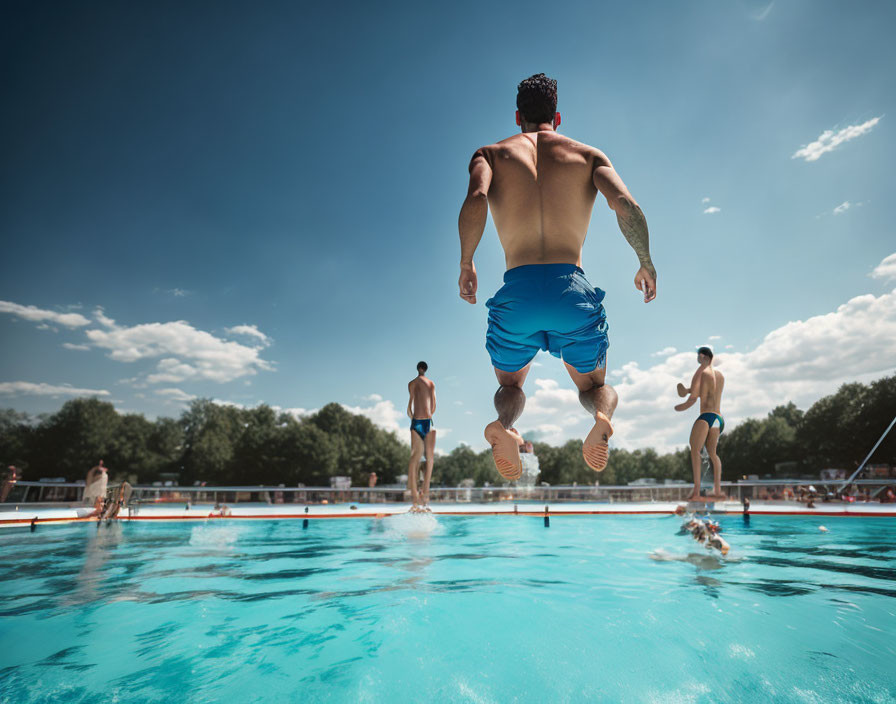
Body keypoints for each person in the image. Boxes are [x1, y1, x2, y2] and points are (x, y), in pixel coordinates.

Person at [457, 73, 656, 479]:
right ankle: (601, 418)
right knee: (592, 387)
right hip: (571, 290)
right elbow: (624, 203)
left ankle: (505, 425)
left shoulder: (490, 154)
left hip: (519, 291)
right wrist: (644, 260)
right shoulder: (588, 156)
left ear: (517, 117)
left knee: (511, 386)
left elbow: (476, 197)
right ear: (558, 117)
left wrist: (466, 261)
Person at [675, 347, 726, 501]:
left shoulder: (702, 373)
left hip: (706, 416)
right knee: (713, 454)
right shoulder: (720, 375)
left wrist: (679, 407)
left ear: (702, 356)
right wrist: (689, 390)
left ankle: (696, 490)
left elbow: (694, 399)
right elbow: (708, 392)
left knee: (695, 450)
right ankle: (717, 490)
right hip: (718, 418)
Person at [406, 361, 436, 510]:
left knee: (415, 459)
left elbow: (409, 405)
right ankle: (424, 498)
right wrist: (429, 416)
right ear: (425, 369)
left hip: (417, 421)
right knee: (428, 460)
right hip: (426, 421)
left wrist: (412, 418)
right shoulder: (431, 383)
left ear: (418, 369)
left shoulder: (412, 383)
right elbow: (434, 405)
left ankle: (416, 501)